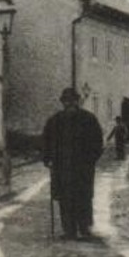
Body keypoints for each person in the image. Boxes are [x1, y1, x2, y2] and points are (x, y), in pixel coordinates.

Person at [43, 88, 103, 240]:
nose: (69, 104)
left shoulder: (89, 119)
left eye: (72, 100)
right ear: (63, 102)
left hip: (83, 168)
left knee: (83, 198)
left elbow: (97, 142)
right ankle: (69, 230)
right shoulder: (55, 121)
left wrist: (90, 160)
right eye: (66, 101)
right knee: (65, 198)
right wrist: (47, 159)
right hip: (62, 168)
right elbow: (45, 142)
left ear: (78, 101)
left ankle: (84, 229)